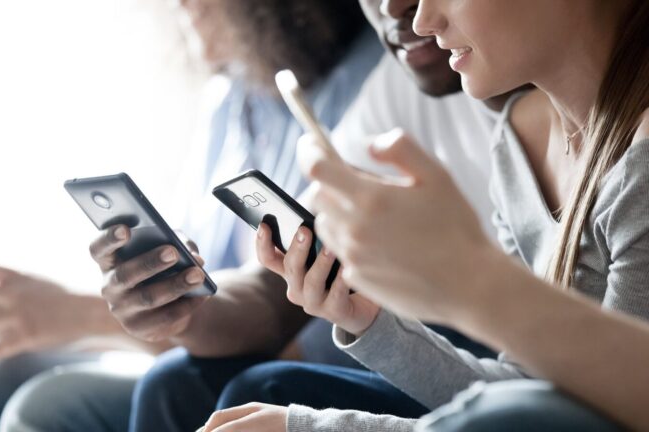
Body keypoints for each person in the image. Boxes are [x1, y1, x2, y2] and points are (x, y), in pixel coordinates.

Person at [202, 0, 649, 430]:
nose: (422, 20)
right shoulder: (517, 139)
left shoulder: (640, 162)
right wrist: (369, 320)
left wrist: (314, 429)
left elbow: (605, 414)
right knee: (254, 389)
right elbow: (527, 394)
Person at [0, 0, 381, 431]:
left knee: (50, 406)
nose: (179, 5)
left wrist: (80, 315)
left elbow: (286, 337)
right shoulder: (230, 100)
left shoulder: (365, 90)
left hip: (272, 366)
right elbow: (202, 289)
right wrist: (148, 298)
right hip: (200, 347)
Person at [96, 0, 528, 430]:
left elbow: (540, 402)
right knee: (176, 385)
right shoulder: (399, 86)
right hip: (490, 369)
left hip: (500, 360)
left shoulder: (536, 124)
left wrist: (306, 424)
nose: (396, 9)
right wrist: (186, 302)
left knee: (262, 390)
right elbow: (276, 289)